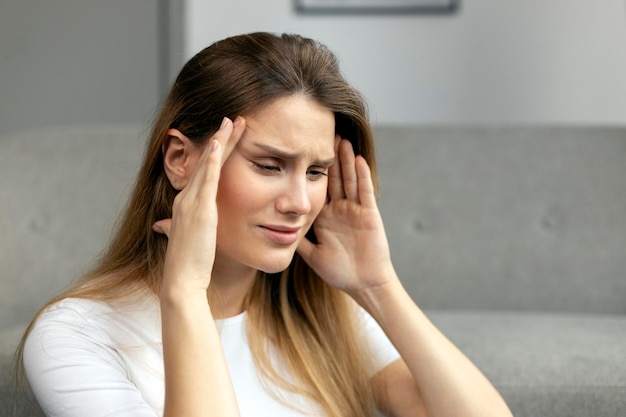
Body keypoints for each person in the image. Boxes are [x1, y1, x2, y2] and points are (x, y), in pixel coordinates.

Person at [17, 32, 513, 417]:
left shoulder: (325, 314)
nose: (300, 203)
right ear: (180, 160)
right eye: (269, 166)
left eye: (316, 172)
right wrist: (186, 294)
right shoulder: (75, 335)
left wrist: (378, 286)